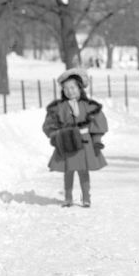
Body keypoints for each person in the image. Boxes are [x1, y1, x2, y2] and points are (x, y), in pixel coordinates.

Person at [43, 68, 108, 207]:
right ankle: (68, 197)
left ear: (79, 88)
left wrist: (97, 141)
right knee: (68, 171)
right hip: (67, 142)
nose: (69, 91)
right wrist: (56, 136)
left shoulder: (89, 106)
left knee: (83, 171)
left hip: (84, 143)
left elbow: (98, 124)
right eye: (66, 88)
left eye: (72, 87)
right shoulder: (59, 107)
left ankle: (86, 197)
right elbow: (50, 124)